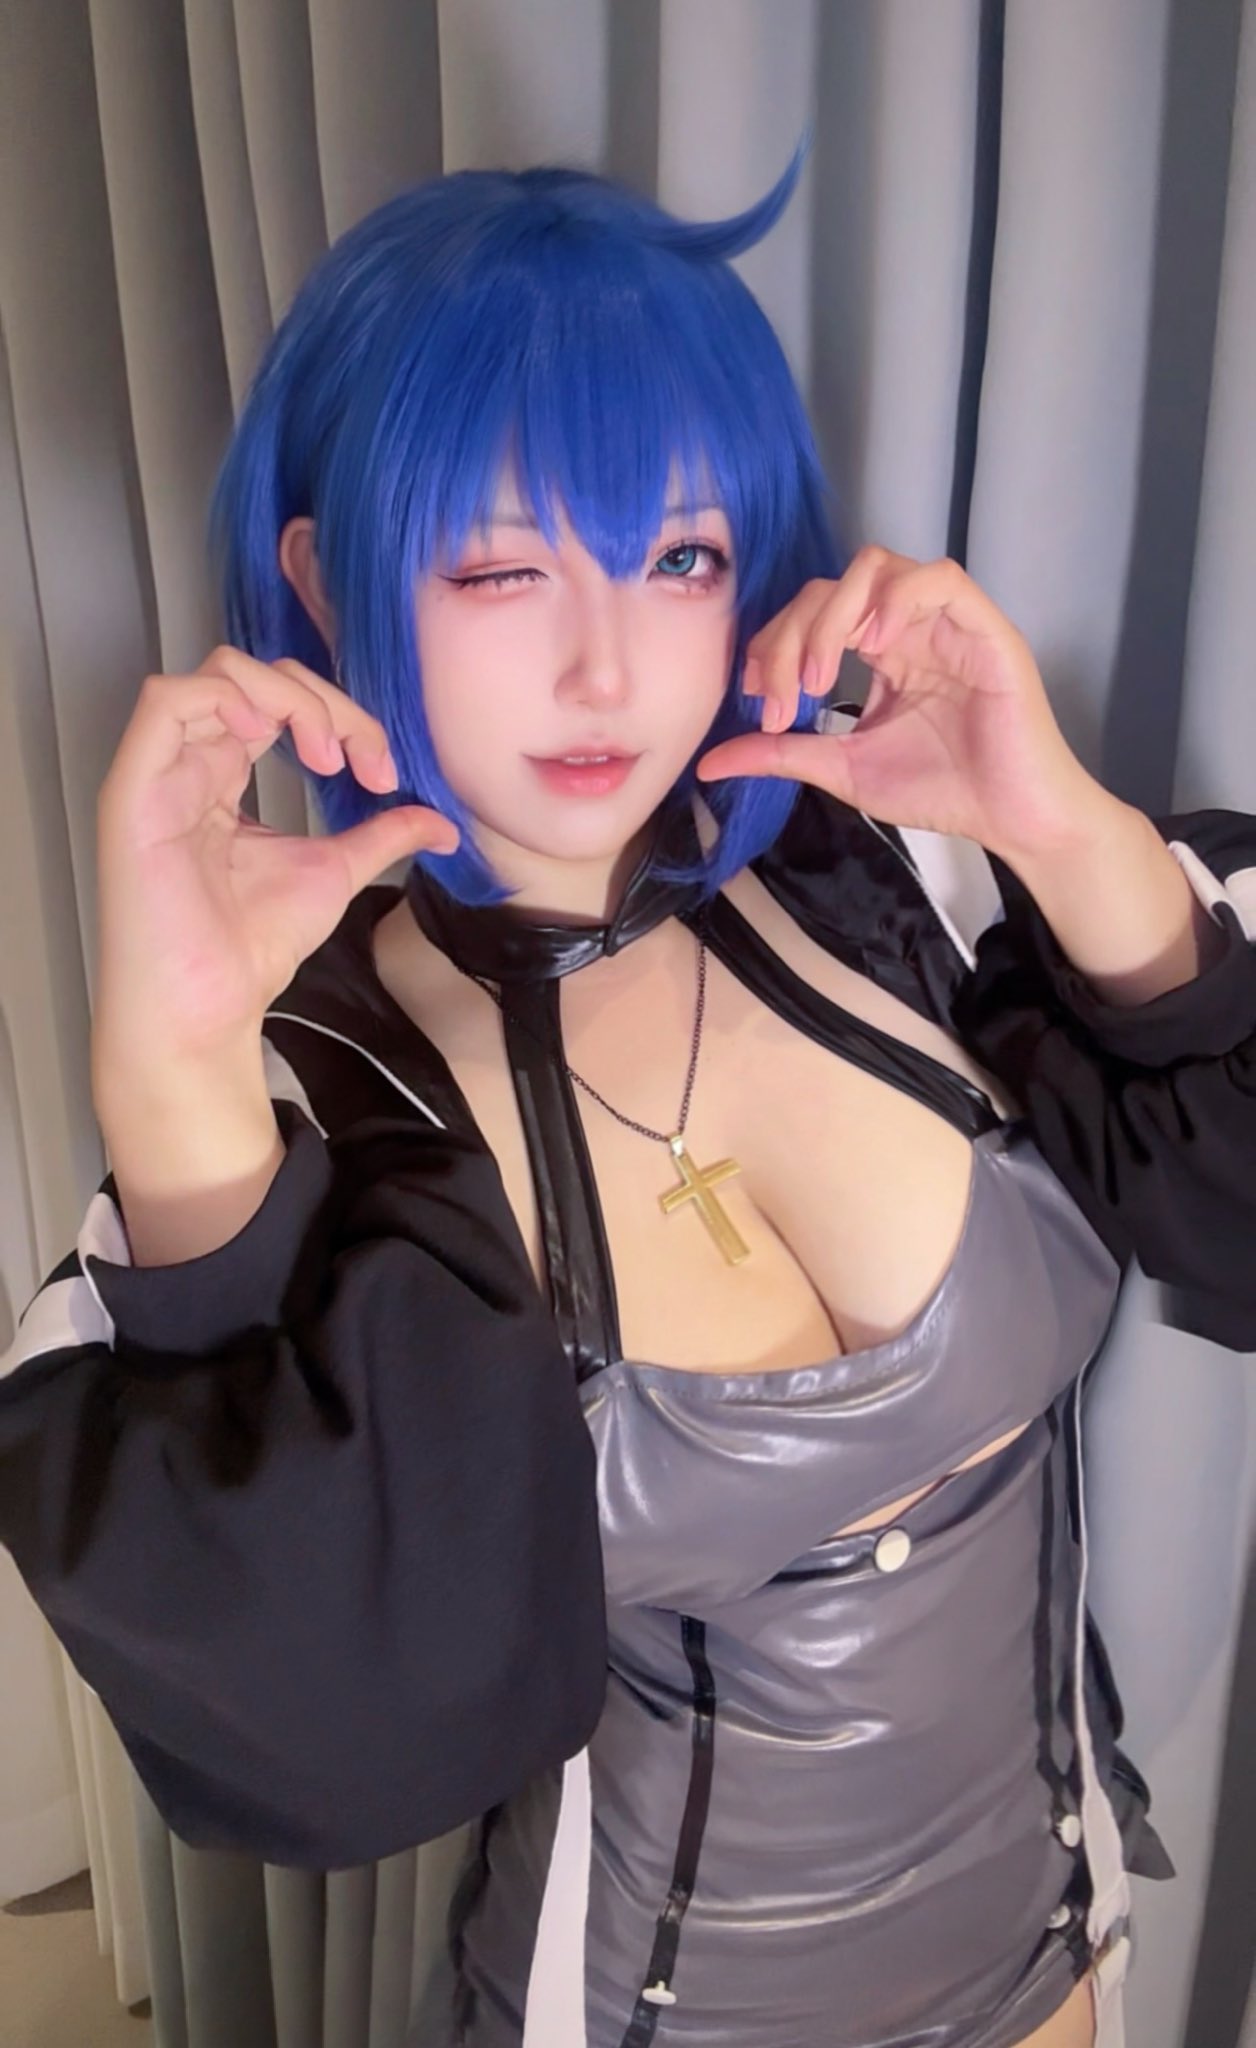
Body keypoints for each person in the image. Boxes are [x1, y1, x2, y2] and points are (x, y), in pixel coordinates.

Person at [2, 139, 1254, 2048]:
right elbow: (326, 1743)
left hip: (1068, 1972)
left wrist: (1064, 828)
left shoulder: (900, 885)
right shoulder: (306, 1095)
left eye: (679, 558)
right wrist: (172, 1082)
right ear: (328, 579)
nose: (605, 666)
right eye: (503, 565)